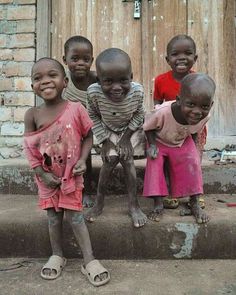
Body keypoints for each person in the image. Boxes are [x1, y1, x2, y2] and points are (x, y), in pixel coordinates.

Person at [24, 57, 110, 286]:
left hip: (71, 174)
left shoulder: (76, 109)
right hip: (46, 178)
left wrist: (83, 159)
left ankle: (89, 260)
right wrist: (41, 174)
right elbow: (29, 149)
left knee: (76, 216)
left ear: (65, 82)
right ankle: (57, 255)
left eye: (52, 75)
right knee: (53, 218)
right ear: (32, 86)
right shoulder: (32, 115)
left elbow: (88, 136)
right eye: (37, 78)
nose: (45, 81)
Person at [84, 48, 147, 228]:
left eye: (123, 80)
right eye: (108, 81)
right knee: (109, 162)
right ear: (99, 80)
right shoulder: (93, 93)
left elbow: (139, 115)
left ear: (131, 77)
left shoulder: (137, 92)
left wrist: (126, 138)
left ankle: (134, 205)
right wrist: (105, 141)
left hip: (130, 129)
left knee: (127, 161)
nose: (117, 87)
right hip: (107, 130)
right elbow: (93, 117)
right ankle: (99, 203)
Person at [143, 73, 215, 224]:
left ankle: (194, 203)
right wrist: (152, 146)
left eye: (204, 106)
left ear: (211, 105)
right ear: (178, 100)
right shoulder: (162, 111)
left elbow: (194, 131)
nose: (197, 112)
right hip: (158, 140)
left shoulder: (204, 116)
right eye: (190, 105)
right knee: (154, 163)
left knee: (193, 160)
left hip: (181, 140)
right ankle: (158, 205)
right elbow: (148, 128)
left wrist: (193, 149)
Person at [153, 34, 206, 209]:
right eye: (175, 54)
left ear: (195, 58)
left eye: (188, 53)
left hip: (192, 127)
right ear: (168, 59)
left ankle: (196, 193)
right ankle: (171, 191)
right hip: (169, 128)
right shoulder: (161, 80)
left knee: (194, 158)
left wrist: (197, 126)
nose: (182, 57)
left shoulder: (199, 80)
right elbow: (157, 105)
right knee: (169, 158)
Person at [63, 35, 97, 208]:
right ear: (65, 60)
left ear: (92, 59)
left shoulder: (97, 79)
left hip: (96, 127)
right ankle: (74, 188)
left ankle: (88, 190)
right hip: (73, 129)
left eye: (86, 59)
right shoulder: (63, 81)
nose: (80, 63)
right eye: (74, 59)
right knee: (79, 151)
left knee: (86, 150)